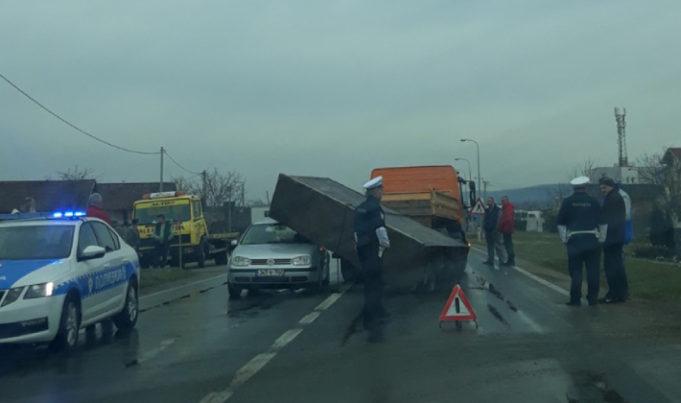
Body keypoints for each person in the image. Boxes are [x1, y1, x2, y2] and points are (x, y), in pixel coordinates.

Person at [557, 176, 606, 306]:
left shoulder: (567, 202)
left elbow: (561, 223)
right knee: (593, 271)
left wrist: (564, 239)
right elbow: (603, 223)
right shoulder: (594, 201)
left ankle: (575, 299)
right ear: (586, 187)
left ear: (574, 187)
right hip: (592, 239)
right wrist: (601, 238)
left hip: (575, 241)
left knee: (576, 271)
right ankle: (592, 298)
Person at [353, 176, 390, 343]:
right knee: (376, 288)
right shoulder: (375, 208)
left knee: (369, 287)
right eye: (381, 189)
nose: (382, 192)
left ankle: (369, 318)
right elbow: (380, 231)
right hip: (374, 253)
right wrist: (384, 248)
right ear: (375, 191)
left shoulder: (360, 208)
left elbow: (355, 233)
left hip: (363, 253)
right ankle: (374, 324)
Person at [599, 177, 629, 303]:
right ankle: (622, 293)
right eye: (601, 188)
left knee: (610, 266)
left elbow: (607, 220)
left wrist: (602, 236)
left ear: (610, 186)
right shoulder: (617, 196)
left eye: (604, 187)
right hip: (618, 236)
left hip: (611, 237)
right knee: (618, 265)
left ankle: (613, 294)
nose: (602, 190)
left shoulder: (611, 199)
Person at [483, 197, 505, 266]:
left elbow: (499, 220)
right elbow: (484, 220)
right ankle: (490, 260)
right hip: (488, 231)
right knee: (490, 246)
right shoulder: (486, 211)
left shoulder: (498, 210)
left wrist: (497, 229)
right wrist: (484, 228)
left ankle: (501, 261)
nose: (488, 203)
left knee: (498, 246)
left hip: (496, 231)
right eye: (488, 201)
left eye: (490, 201)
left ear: (493, 202)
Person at [499, 196, 516, 266]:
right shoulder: (505, 208)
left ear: (507, 201)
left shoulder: (508, 208)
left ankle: (511, 260)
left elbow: (507, 219)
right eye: (502, 201)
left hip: (507, 229)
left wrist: (502, 225)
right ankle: (510, 260)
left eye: (503, 201)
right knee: (507, 244)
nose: (502, 202)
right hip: (506, 229)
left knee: (508, 245)